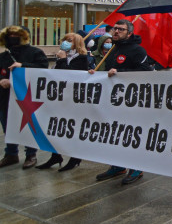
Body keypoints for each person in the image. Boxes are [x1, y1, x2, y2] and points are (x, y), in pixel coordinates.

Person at [89, 19, 153, 184]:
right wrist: (94, 74)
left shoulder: (137, 50)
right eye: (115, 29)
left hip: (131, 101)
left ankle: (136, 168)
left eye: (121, 29)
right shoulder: (113, 50)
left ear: (129, 33)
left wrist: (121, 72)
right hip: (113, 100)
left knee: (131, 134)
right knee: (114, 134)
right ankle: (117, 165)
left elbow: (145, 72)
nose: (116, 31)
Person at [37, 33, 90, 171]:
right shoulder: (61, 56)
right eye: (65, 40)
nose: (66, 42)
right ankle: (55, 156)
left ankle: (75, 158)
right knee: (56, 129)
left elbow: (68, 76)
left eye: (70, 41)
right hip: (59, 99)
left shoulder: (82, 59)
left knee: (72, 129)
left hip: (73, 101)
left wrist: (62, 60)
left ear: (77, 43)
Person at [0, 26, 48, 169]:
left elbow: (43, 69)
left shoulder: (35, 52)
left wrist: (22, 66)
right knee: (8, 127)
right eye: (10, 35)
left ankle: (31, 154)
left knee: (28, 125)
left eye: (16, 34)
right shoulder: (4, 55)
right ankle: (11, 154)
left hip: (27, 98)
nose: (13, 37)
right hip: (5, 98)